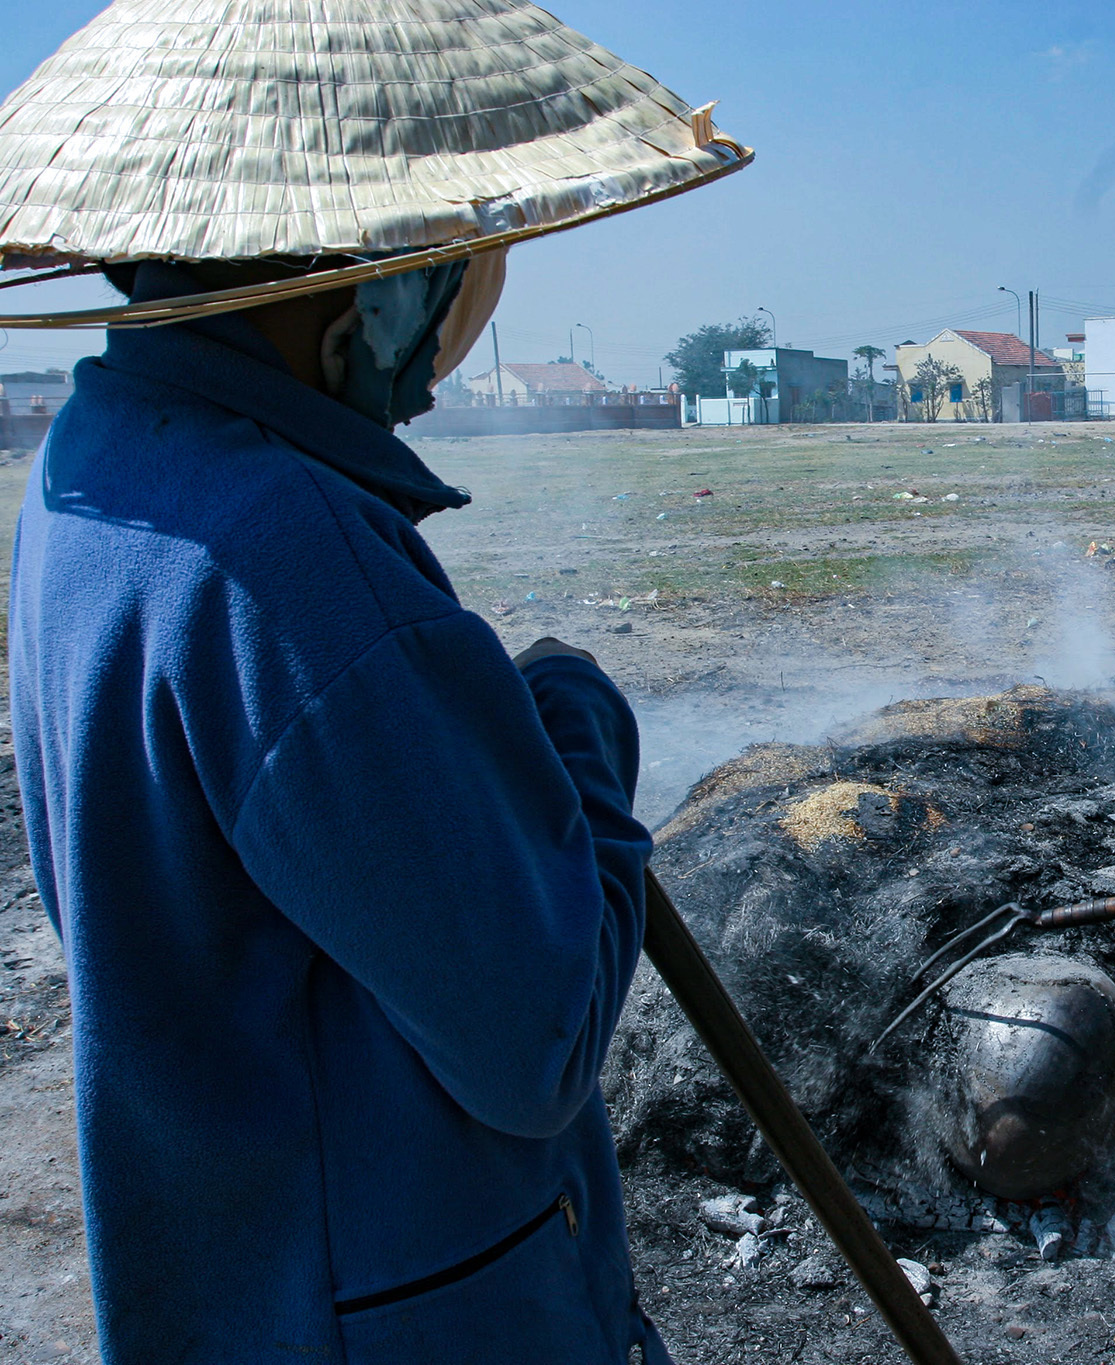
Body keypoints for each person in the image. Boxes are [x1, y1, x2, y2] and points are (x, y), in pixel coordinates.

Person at [0, 2, 750, 1360]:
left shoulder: (102, 456)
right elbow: (538, 1042)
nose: (461, 312)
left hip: (240, 1277)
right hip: (401, 1308)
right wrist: (573, 721)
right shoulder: (291, 559)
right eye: (455, 256)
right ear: (373, 275)